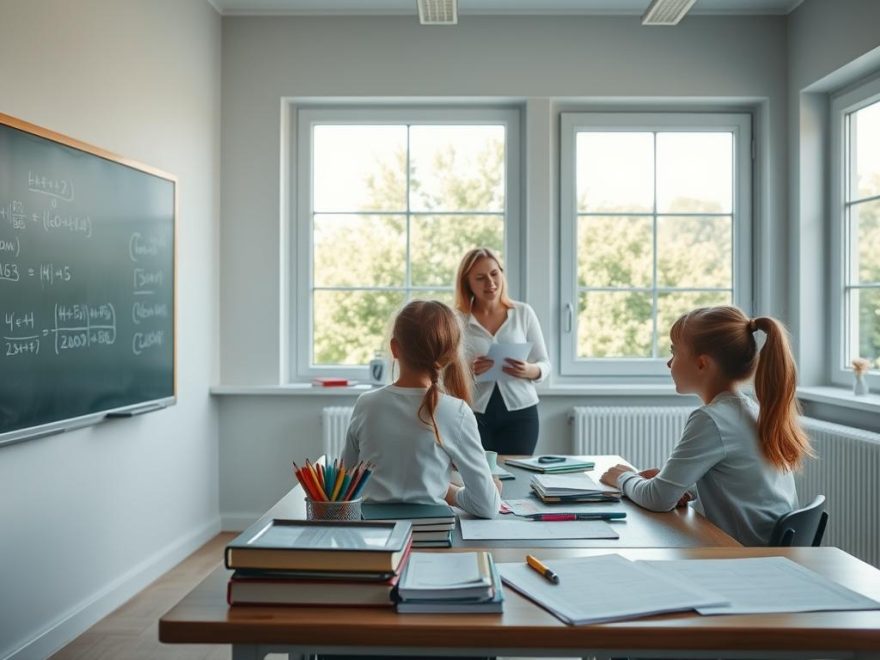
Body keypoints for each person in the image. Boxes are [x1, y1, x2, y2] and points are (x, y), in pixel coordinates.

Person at [599, 306, 813, 546]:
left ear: (702, 364)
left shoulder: (712, 419)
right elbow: (740, 484)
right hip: (765, 552)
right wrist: (683, 486)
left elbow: (657, 499)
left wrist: (623, 478)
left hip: (744, 558)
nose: (669, 363)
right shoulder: (748, 410)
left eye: (674, 352)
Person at [342, 300, 501, 519]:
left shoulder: (365, 404)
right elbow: (487, 507)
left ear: (394, 348)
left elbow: (344, 486)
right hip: (434, 538)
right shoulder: (456, 412)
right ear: (450, 354)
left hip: (374, 540)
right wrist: (448, 491)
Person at [454, 248, 550, 456]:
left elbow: (544, 363)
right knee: (479, 478)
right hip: (474, 413)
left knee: (518, 476)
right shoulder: (457, 320)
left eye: (494, 274)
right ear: (467, 283)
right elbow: (446, 371)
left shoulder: (523, 313)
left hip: (521, 414)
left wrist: (529, 370)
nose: (490, 283)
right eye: (480, 278)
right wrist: (468, 371)